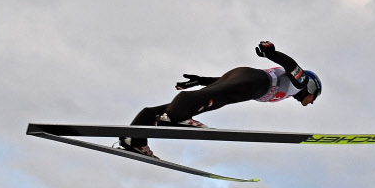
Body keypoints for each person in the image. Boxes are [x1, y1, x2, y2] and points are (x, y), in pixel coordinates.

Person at [117, 41, 321, 158]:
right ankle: (175, 117)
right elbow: (291, 64)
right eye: (315, 96)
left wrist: (201, 81)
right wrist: (273, 54)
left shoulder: (293, 89)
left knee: (216, 97)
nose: (311, 101)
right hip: (255, 81)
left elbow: (224, 83)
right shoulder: (301, 82)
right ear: (312, 86)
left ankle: (133, 139)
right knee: (215, 98)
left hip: (246, 77)